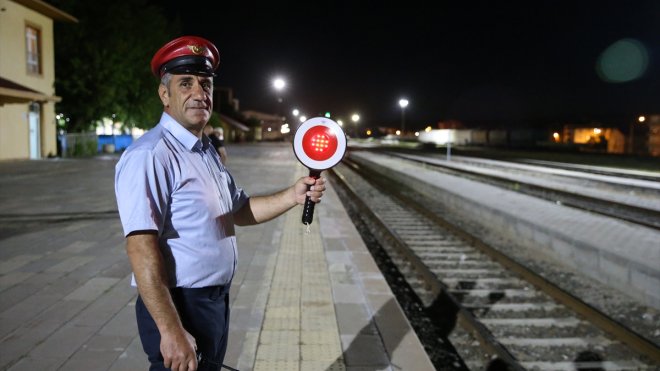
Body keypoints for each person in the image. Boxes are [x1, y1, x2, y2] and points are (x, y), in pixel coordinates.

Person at [114, 35, 326, 371]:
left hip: (214, 300)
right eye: (186, 84)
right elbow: (140, 248)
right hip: (181, 303)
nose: (199, 93)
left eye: (206, 84)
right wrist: (170, 330)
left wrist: (293, 195)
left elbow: (238, 210)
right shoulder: (151, 155)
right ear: (164, 94)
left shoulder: (205, 151)